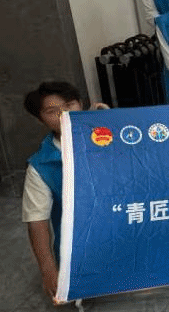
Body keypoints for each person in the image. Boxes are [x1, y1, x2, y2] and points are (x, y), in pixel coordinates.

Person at [21, 81, 107, 300]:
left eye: (69, 105)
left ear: (81, 104)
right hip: (82, 247)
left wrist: (110, 121)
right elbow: (37, 220)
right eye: (52, 111)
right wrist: (48, 270)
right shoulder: (41, 166)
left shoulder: (108, 137)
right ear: (40, 119)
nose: (64, 114)